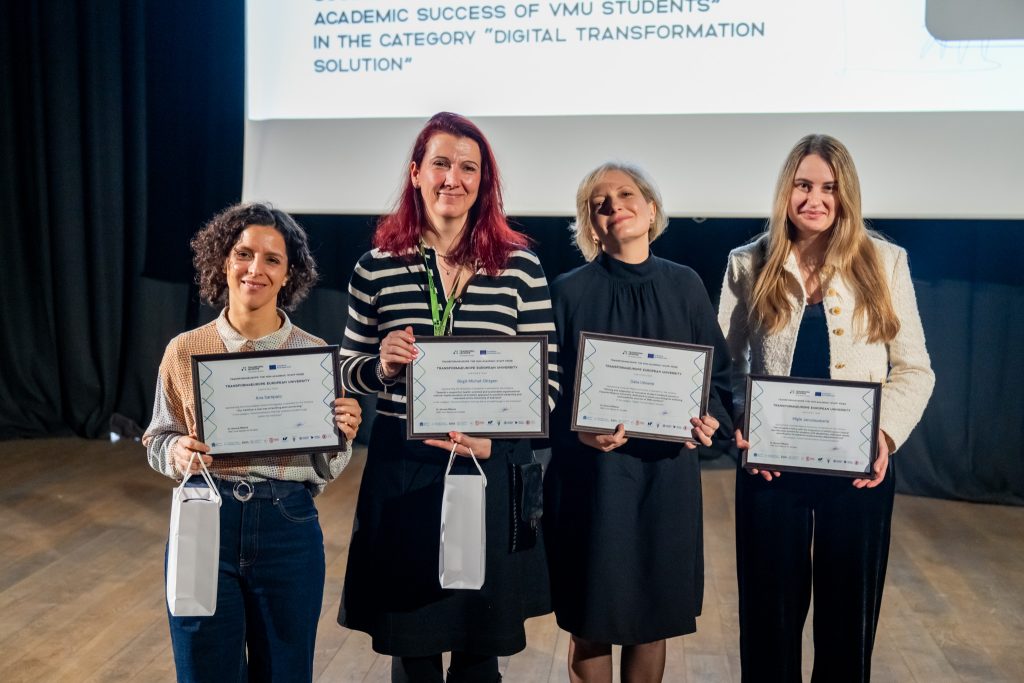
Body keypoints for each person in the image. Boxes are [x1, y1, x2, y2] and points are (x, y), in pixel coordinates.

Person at [337, 112, 559, 683]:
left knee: (480, 645)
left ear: (484, 182)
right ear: (415, 174)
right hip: (405, 467)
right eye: (440, 164)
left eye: (468, 168)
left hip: (489, 464)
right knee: (412, 644)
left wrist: (497, 439)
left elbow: (549, 383)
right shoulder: (376, 267)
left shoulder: (519, 268)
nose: (452, 179)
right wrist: (381, 364)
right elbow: (346, 370)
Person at [718, 135, 935, 682]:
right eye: (804, 185)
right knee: (768, 622)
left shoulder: (885, 261)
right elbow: (727, 363)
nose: (815, 199)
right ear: (786, 191)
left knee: (847, 627)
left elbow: (914, 368)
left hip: (859, 471)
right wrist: (744, 421)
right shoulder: (748, 264)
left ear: (847, 195)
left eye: (829, 188)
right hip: (771, 467)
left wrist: (882, 437)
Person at [143, 202, 363, 682]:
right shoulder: (184, 350)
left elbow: (326, 466)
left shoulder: (311, 357)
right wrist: (177, 452)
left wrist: (341, 436)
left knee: (285, 672)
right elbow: (157, 438)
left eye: (272, 260)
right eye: (244, 254)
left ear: (289, 275)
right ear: (223, 261)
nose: (255, 269)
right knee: (204, 671)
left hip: (288, 523)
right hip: (205, 519)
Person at [544, 162, 733, 683]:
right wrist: (578, 430)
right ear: (590, 224)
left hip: (664, 480)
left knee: (653, 622)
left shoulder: (686, 286)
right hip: (591, 480)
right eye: (598, 202)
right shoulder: (566, 291)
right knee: (590, 620)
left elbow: (718, 377)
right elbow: (545, 394)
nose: (613, 205)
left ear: (651, 210)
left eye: (626, 194)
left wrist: (709, 422)